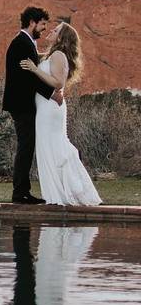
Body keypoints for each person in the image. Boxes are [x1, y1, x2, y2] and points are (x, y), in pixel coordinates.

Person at [20, 21, 102, 206]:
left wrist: (33, 69)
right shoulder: (52, 55)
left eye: (55, 30)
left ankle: (63, 194)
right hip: (45, 108)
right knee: (49, 148)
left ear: (61, 37)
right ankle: (59, 192)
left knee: (53, 147)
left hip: (50, 110)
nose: (51, 30)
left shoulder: (58, 55)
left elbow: (57, 83)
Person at [3, 6, 61, 204]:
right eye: (42, 24)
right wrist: (52, 94)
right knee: (25, 147)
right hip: (21, 105)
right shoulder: (21, 44)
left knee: (27, 146)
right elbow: (28, 78)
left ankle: (22, 191)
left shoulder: (26, 43)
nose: (44, 28)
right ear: (32, 22)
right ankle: (20, 193)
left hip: (24, 104)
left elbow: (33, 71)